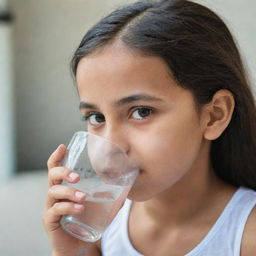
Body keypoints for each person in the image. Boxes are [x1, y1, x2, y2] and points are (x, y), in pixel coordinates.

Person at [42, 0, 256, 255]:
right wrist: (69, 252)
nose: (111, 148)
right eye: (97, 117)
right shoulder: (100, 227)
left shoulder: (247, 237)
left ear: (214, 116)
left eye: (141, 112)